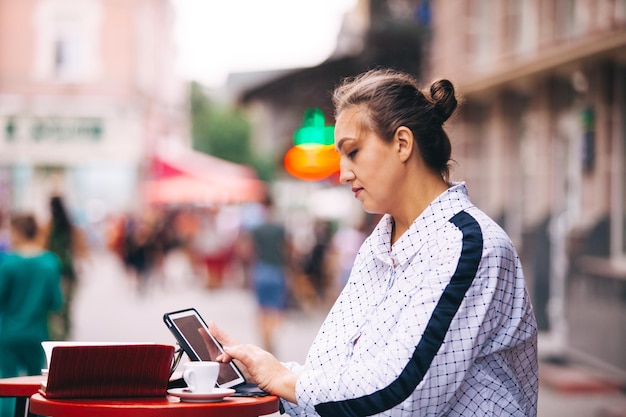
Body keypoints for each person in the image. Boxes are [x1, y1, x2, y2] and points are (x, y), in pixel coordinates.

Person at [209, 69, 538, 416]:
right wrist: (259, 373)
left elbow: (398, 395)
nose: (343, 172)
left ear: (402, 143)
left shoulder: (466, 244)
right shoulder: (379, 244)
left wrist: (282, 380)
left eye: (352, 152)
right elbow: (337, 376)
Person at [0, 214, 63, 417]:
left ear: (17, 231)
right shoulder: (49, 262)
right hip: (37, 332)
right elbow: (56, 301)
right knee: (35, 386)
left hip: (8, 332)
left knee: (7, 385)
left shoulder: (8, 263)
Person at [247, 194, 291, 354]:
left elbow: (250, 252)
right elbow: (288, 250)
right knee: (275, 308)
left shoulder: (256, 229)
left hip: (261, 270)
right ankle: (270, 339)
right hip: (276, 270)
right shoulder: (280, 228)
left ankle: (265, 340)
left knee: (262, 309)